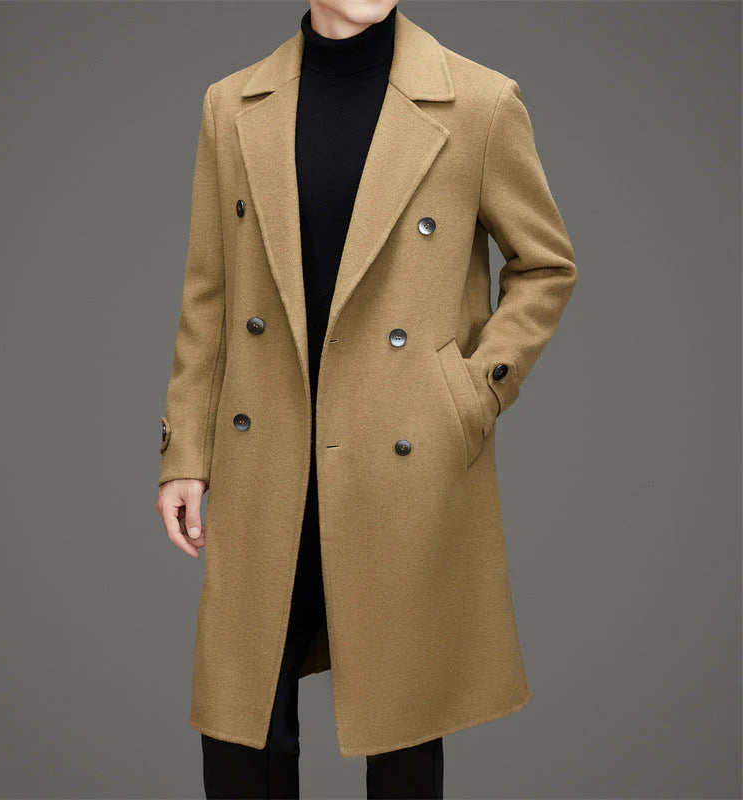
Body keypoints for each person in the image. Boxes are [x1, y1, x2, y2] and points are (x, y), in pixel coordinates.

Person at [155, 1, 577, 797]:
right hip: (266, 452)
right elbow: (209, 296)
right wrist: (187, 453)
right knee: (245, 725)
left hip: (403, 454)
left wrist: (469, 395)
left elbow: (545, 265)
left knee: (403, 729)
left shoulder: (479, 102)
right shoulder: (231, 105)